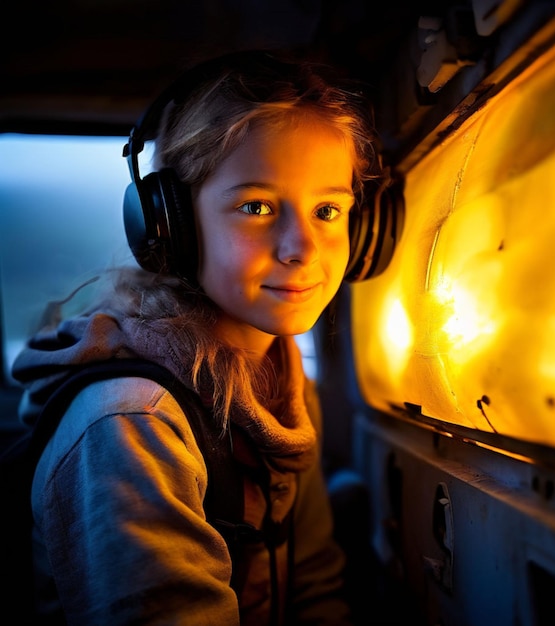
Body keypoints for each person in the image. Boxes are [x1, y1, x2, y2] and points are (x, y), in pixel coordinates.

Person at [12, 49, 385, 625]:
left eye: (328, 211)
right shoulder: (133, 423)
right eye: (257, 206)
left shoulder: (282, 385)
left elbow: (313, 583)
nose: (303, 248)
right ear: (170, 226)